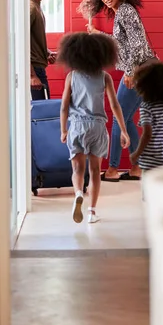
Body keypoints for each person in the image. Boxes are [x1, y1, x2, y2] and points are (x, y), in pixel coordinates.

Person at [78, 0, 156, 183]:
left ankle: (112, 169)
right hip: (145, 69)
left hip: (140, 70)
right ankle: (138, 167)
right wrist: (97, 34)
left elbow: (138, 44)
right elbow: (122, 43)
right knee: (126, 117)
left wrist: (131, 71)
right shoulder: (121, 11)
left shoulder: (126, 11)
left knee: (118, 114)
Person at [58, 32, 130, 224]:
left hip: (77, 126)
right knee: (95, 170)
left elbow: (64, 105)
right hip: (97, 127)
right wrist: (123, 130)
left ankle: (78, 193)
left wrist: (63, 129)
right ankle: (91, 211)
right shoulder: (105, 77)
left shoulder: (71, 76)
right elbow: (115, 105)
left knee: (78, 169)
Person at [130, 61, 163, 184]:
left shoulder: (147, 107)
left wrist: (137, 153)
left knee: (149, 190)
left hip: (151, 158)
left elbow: (147, 134)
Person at [30, 0, 58, 100]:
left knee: (43, 112)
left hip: (38, 68)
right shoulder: (30, 7)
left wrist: (46, 53)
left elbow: (32, 38)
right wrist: (31, 76)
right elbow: (19, 41)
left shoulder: (37, 6)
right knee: (39, 117)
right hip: (33, 70)